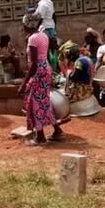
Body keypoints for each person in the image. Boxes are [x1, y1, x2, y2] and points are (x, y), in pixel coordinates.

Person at [18, 13, 62, 146]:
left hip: (38, 71)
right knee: (44, 102)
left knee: (34, 103)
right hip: (46, 69)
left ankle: (40, 137)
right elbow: (44, 57)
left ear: (27, 25)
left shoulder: (32, 39)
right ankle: (57, 130)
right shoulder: (43, 35)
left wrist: (24, 83)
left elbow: (34, 63)